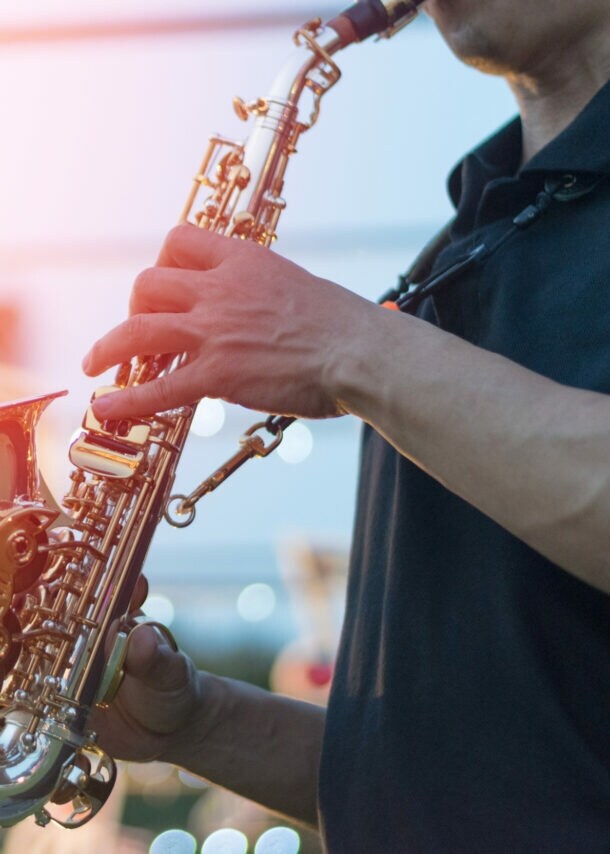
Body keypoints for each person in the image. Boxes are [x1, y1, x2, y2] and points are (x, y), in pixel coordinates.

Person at [84, 1, 610, 850]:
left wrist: (347, 345)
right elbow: (463, 781)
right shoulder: (456, 254)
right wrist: (197, 721)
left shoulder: (384, 338)